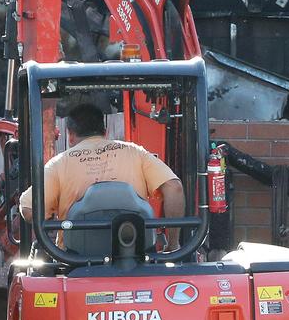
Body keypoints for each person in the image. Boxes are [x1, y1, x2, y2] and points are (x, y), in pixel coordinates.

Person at [19, 103, 186, 248]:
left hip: (74, 263)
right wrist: (173, 245)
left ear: (70, 135)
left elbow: (28, 209)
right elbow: (174, 188)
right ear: (104, 132)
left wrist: (51, 218)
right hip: (137, 257)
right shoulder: (135, 153)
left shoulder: (59, 164)